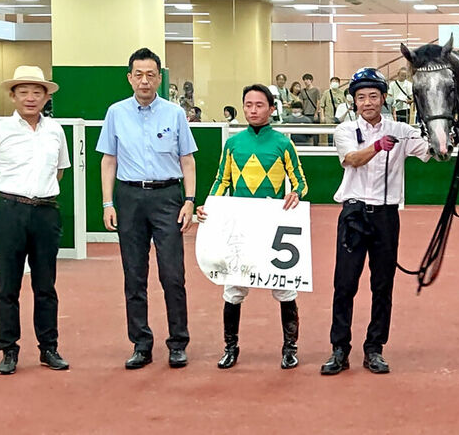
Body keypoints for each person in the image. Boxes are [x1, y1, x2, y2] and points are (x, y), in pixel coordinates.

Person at [320, 67, 430, 375]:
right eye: (360, 97)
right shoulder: (344, 130)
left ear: (383, 98)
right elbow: (351, 159)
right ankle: (339, 348)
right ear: (354, 102)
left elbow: (432, 152)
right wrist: (378, 146)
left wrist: (449, 136)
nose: (367, 102)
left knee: (383, 284)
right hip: (354, 214)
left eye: (373, 96)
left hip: (386, 215)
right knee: (344, 283)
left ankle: (374, 348)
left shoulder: (401, 130)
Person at [97, 47, 197, 370]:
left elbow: (188, 160)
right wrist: (108, 203)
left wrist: (189, 201)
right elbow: (108, 160)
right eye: (138, 75)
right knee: (134, 275)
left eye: (150, 74)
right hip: (129, 198)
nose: (144, 81)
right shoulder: (115, 113)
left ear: (159, 77)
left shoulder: (175, 114)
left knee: (173, 274)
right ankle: (141, 343)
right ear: (129, 78)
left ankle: (178, 342)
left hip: (167, 196)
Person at [197, 84, 308, 370]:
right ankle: (230, 347)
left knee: (285, 290)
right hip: (240, 224)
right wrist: (209, 206)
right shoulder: (233, 144)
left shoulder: (283, 143)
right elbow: (222, 180)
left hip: (272, 224)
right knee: (233, 289)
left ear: (272, 109)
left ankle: (290, 348)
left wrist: (295, 194)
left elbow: (301, 182)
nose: (253, 110)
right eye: (248, 105)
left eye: (259, 105)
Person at [0, 65, 71, 374]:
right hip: (9, 213)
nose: (30, 98)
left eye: (37, 92)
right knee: (9, 285)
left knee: (46, 285)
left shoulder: (56, 131)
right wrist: (12, 202)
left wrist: (35, 201)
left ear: (46, 97)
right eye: (23, 92)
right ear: (13, 95)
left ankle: (49, 348)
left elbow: (58, 171)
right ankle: (8, 350)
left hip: (46, 212)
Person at [299, 73, 320, 145]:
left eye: (307, 79)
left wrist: (316, 113)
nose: (306, 81)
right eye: (304, 80)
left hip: (313, 113)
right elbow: (301, 102)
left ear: (311, 80)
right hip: (305, 113)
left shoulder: (316, 90)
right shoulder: (302, 91)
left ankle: (316, 146)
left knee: (315, 132)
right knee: (306, 131)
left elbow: (318, 101)